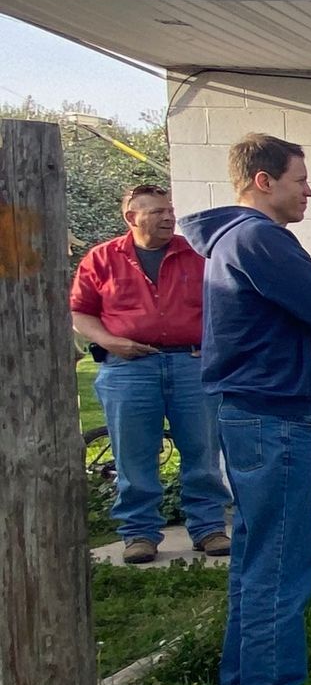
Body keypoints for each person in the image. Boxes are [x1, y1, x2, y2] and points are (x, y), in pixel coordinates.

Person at [181, 135, 311, 685]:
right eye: (299, 179)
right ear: (263, 180)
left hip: (252, 412)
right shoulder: (260, 239)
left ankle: (242, 675)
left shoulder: (232, 240)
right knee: (280, 557)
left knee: (257, 552)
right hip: (274, 414)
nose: (308, 190)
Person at [70, 184, 230, 563]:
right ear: (132, 217)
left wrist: (212, 346)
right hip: (128, 367)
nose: (168, 217)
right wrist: (110, 341)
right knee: (134, 454)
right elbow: (80, 313)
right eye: (157, 211)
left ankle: (208, 528)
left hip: (190, 365)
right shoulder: (101, 258)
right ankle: (139, 534)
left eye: (170, 210)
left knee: (203, 450)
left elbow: (225, 304)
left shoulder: (196, 255)